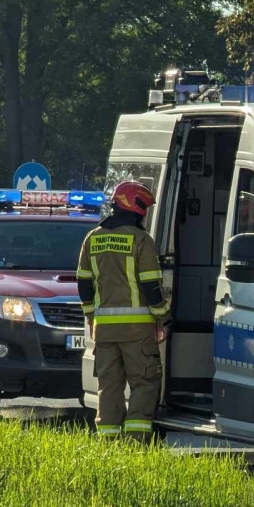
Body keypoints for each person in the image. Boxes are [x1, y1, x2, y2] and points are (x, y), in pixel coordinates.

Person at [76, 182, 171, 442]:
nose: (146, 214)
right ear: (136, 206)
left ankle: (107, 442)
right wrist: (163, 318)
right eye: (145, 209)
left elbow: (83, 283)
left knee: (109, 387)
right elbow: (151, 285)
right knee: (144, 382)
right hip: (137, 330)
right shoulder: (140, 240)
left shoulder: (92, 238)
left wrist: (92, 317)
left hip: (104, 331)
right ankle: (135, 444)